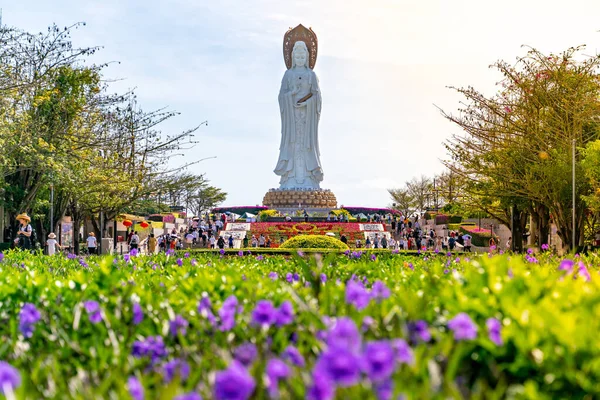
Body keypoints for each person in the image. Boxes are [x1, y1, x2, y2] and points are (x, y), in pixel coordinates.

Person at [274, 40, 324, 189]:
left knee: (307, 145)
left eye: (303, 57)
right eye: (297, 57)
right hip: (292, 118)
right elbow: (281, 96)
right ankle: (290, 177)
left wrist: (308, 102)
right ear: (293, 57)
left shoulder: (311, 75)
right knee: (292, 143)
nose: (300, 60)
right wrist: (291, 94)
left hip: (307, 119)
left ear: (307, 57)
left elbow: (318, 97)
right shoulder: (288, 74)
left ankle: (310, 176)